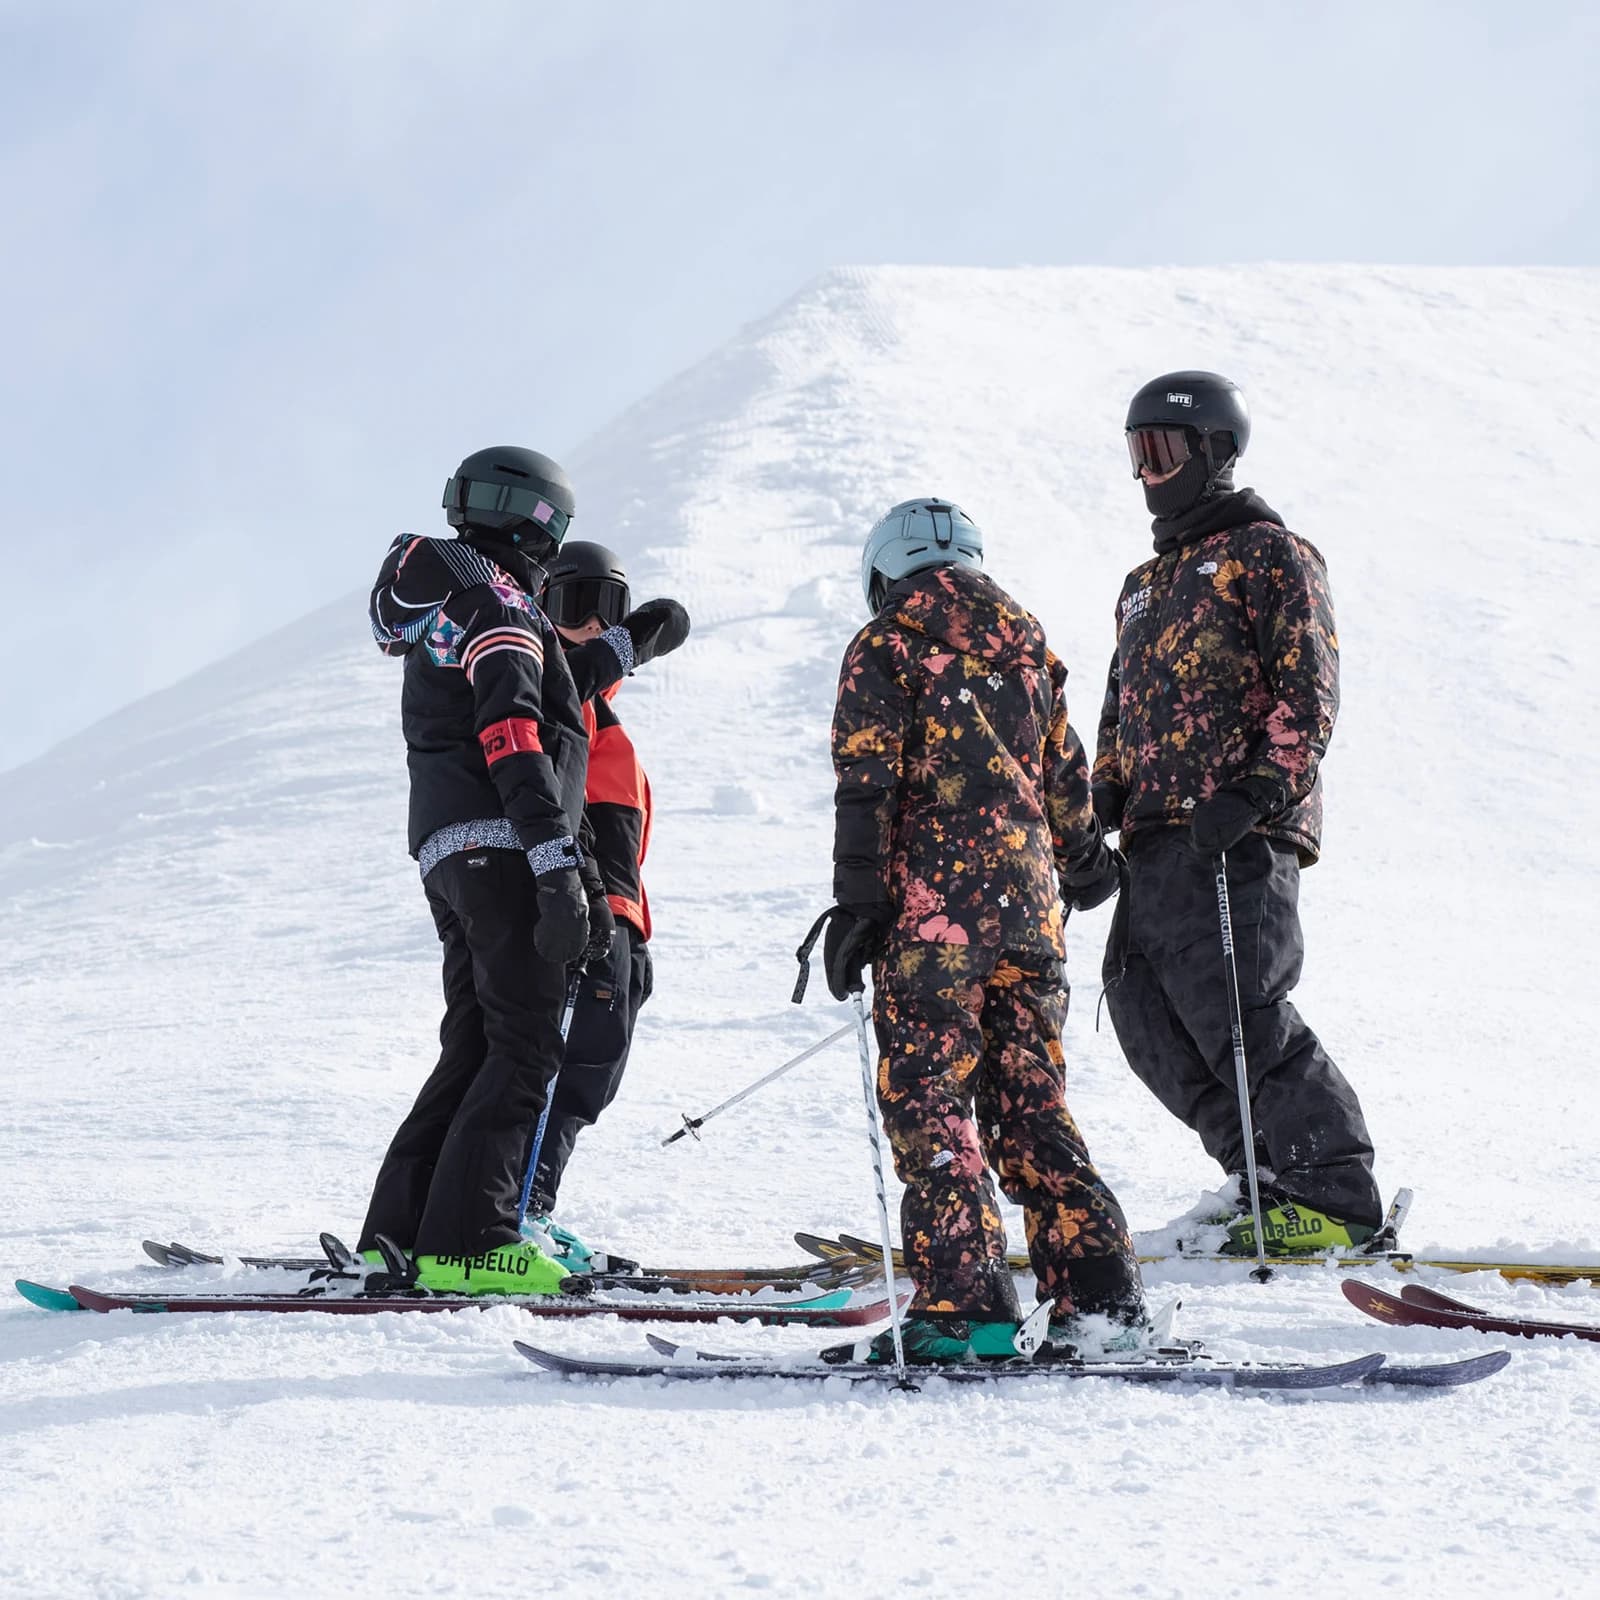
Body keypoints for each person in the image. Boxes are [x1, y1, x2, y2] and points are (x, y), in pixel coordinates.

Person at [821, 497, 1147, 1364]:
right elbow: (1063, 776)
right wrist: (1083, 866)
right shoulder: (1030, 646)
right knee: (1029, 1105)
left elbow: (869, 780)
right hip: (1032, 918)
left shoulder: (887, 642)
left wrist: (857, 906)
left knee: (933, 1101)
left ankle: (964, 1311)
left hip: (936, 916)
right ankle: (1101, 1300)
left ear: (883, 573)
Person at [359, 447, 688, 1293]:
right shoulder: (501, 606)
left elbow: (549, 687)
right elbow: (516, 733)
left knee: (473, 1042)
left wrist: (621, 649)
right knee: (528, 1043)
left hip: (451, 845)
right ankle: (474, 1241)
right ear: (543, 524)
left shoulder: (454, 600)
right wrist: (553, 867)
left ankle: (404, 1231)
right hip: (506, 844)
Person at [1096, 371, 1383, 1254]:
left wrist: (1260, 788)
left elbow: (1309, 686)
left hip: (1235, 828)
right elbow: (1120, 711)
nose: (1149, 471)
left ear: (1216, 452)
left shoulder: (1270, 552)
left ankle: (1333, 1194)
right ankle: (1260, 1176)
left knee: (1239, 1008)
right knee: (1141, 1009)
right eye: (1136, 453)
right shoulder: (1144, 583)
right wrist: (1096, 808)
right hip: (1153, 835)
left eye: (1165, 450)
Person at [520, 542, 659, 1271]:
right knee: (558, 1070)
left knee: (589, 1078)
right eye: (576, 607)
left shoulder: (602, 716)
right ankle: (512, 1218)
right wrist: (591, 906)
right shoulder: (550, 691)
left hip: (621, 922)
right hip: (584, 915)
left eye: (612, 610)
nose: (594, 627)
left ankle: (533, 1209)